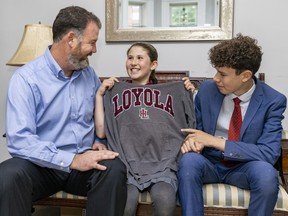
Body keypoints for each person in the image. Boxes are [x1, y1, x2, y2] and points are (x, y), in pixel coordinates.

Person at [0, 6, 127, 216]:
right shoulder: (25, 78)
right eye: (92, 42)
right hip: (43, 166)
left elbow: (98, 118)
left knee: (113, 170)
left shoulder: (89, 75)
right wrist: (71, 160)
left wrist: (99, 141)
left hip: (84, 161)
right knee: (7, 175)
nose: (94, 50)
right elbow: (19, 140)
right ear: (71, 39)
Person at [177, 33, 287, 216]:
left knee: (267, 174)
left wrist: (216, 141)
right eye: (216, 71)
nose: (215, 78)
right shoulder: (206, 90)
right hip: (209, 162)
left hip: (244, 166)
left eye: (222, 74)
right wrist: (193, 141)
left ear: (245, 76)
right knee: (188, 162)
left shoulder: (273, 101)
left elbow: (268, 153)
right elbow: (197, 129)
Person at [95, 42, 196, 216]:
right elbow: (101, 132)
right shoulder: (115, 91)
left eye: (140, 58)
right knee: (125, 205)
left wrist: (190, 93)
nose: (133, 62)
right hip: (126, 165)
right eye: (130, 57)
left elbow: (192, 125)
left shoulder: (172, 92)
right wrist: (99, 95)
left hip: (162, 164)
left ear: (153, 64)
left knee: (165, 202)